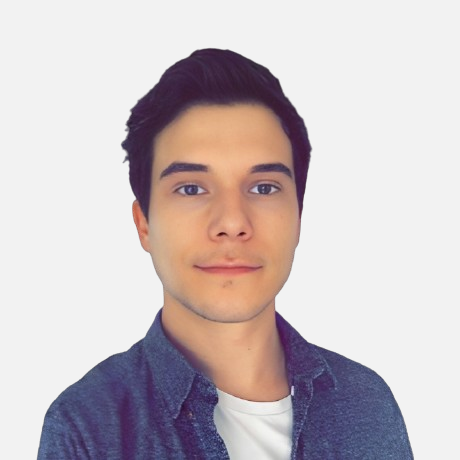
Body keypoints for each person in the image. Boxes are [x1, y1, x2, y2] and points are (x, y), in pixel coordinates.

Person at [38, 48, 413, 459]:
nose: (233, 222)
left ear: (298, 216)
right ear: (144, 223)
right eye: (191, 188)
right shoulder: (86, 427)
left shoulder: (368, 404)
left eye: (264, 187)